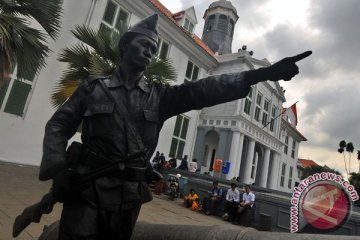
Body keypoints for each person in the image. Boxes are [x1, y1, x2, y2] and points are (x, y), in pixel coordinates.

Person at [38, 13, 311, 239]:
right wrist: (58, 169)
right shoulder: (93, 88)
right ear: (124, 47)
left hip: (128, 198)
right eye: (143, 45)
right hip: (87, 189)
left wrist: (265, 73)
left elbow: (205, 89)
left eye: (153, 49)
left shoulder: (160, 96)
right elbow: (58, 126)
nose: (148, 52)